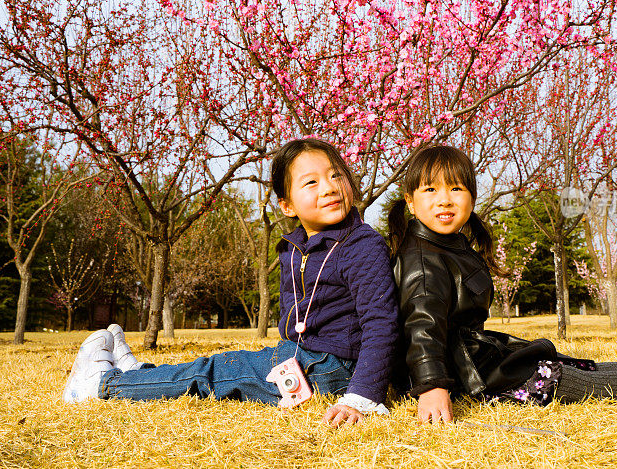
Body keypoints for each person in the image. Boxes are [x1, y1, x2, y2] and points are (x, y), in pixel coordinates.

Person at [388, 145, 617, 424]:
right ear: (410, 200)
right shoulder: (422, 259)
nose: (445, 200)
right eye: (430, 190)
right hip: (467, 375)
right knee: (570, 380)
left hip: (477, 362)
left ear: (471, 195)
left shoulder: (447, 244)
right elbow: (422, 326)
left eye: (456, 188)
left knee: (579, 369)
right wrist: (432, 387)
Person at [63, 138, 399, 427]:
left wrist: (361, 397)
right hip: (306, 356)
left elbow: (381, 324)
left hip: (329, 370)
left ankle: (101, 387)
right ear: (286, 205)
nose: (329, 187)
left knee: (211, 374)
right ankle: (138, 374)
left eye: (336, 175)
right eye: (311, 183)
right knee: (217, 367)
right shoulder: (299, 244)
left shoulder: (362, 246)